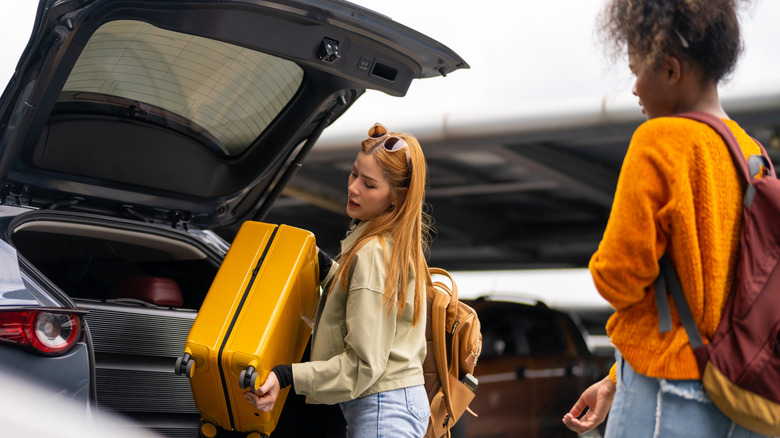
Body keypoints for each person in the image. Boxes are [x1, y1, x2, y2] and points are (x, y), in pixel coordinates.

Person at [562, 0, 768, 437]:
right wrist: (616, 380)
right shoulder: (752, 154)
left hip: (667, 393)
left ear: (670, 70)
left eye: (637, 69)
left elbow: (619, 277)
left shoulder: (660, 141)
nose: (634, 87)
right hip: (743, 393)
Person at [245, 123, 432, 437]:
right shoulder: (390, 244)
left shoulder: (373, 253)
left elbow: (363, 365)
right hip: (391, 404)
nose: (354, 188)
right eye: (354, 173)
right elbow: (363, 296)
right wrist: (325, 267)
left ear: (395, 198)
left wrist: (286, 375)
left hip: (383, 411)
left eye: (369, 184)